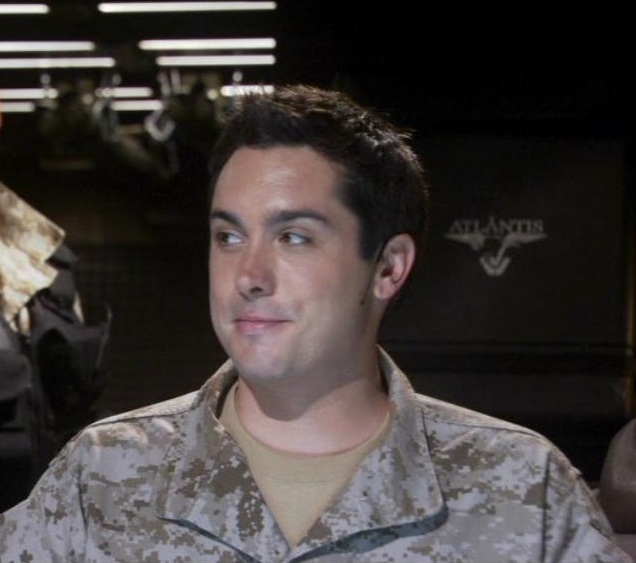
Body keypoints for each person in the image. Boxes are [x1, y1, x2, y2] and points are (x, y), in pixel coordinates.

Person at [0, 84, 630, 562]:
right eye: (228, 236)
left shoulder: (523, 490)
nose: (248, 274)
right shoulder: (100, 478)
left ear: (388, 268)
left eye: (294, 237)